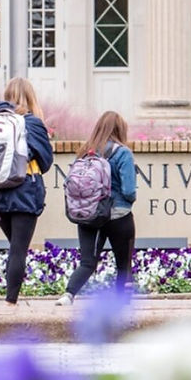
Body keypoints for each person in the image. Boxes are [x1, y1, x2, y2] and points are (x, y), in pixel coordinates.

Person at [0, 78, 54, 306]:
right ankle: (10, 301)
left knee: (15, 247)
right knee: (18, 250)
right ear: (30, 97)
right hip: (24, 192)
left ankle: (11, 297)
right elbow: (45, 160)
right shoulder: (31, 122)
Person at [56, 111, 137, 306]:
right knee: (123, 264)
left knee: (87, 262)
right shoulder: (123, 152)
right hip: (118, 215)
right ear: (120, 130)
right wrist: (129, 200)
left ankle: (68, 295)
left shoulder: (85, 151)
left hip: (89, 214)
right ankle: (120, 304)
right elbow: (128, 190)